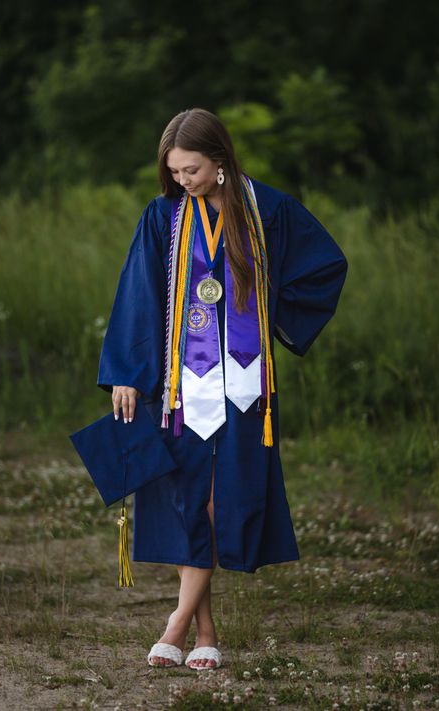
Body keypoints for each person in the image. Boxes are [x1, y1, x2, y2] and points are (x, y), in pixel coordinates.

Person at [97, 107, 348, 670]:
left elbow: (326, 266)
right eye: (175, 172)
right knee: (187, 502)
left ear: (221, 161)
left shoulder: (271, 213)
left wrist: (269, 312)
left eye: (192, 170)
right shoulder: (163, 217)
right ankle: (205, 631)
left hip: (244, 386)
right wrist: (126, 372)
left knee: (217, 503)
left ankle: (176, 622)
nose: (182, 180)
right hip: (179, 387)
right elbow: (138, 293)